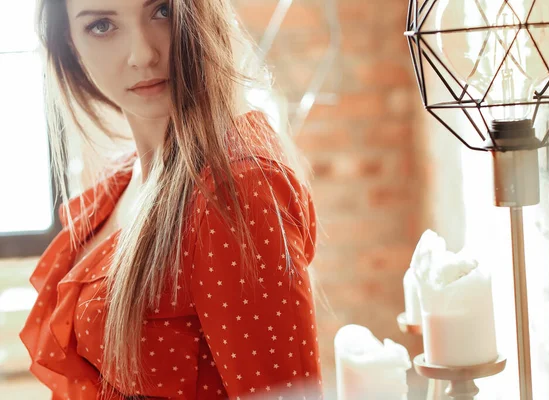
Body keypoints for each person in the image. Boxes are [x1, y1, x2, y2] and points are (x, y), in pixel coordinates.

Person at [19, 0, 324, 398]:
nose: (143, 54)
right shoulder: (125, 178)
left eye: (162, 11)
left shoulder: (235, 188)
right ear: (71, 43)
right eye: (101, 26)